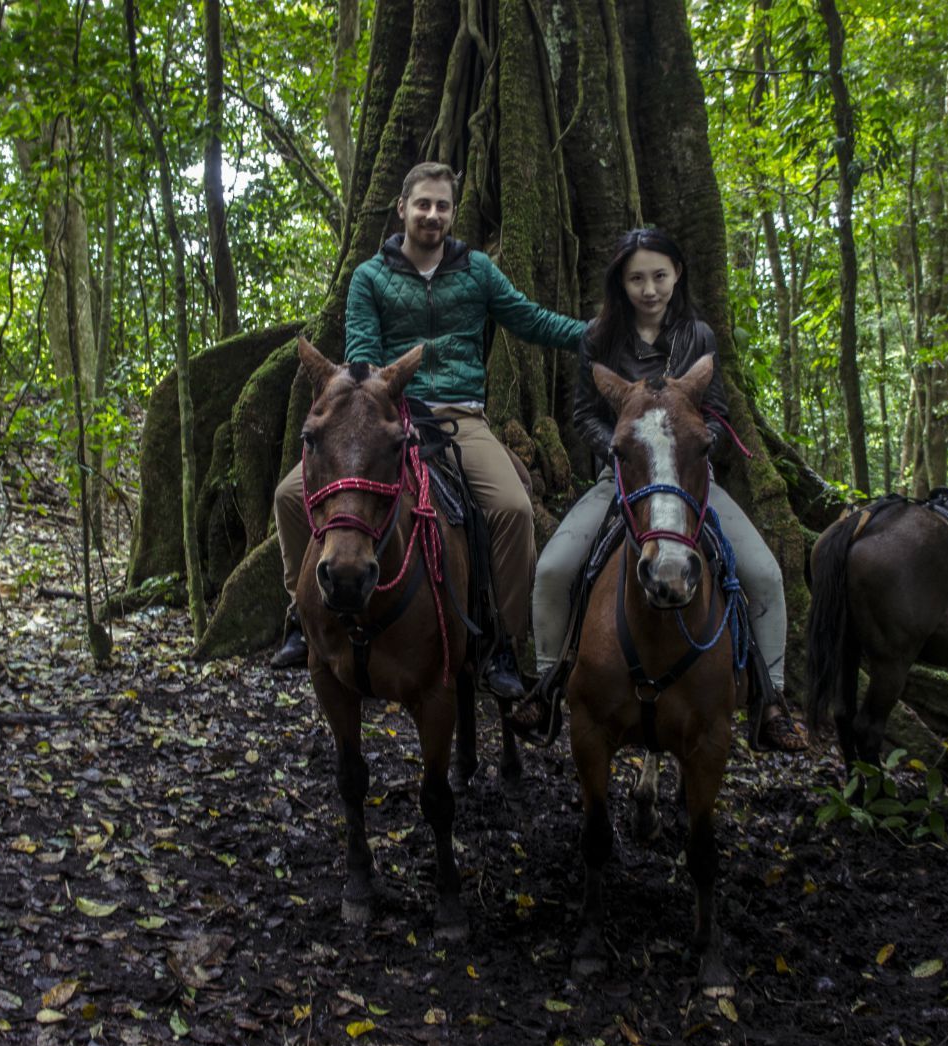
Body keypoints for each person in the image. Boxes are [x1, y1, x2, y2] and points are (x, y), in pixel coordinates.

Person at [270, 162, 588, 700]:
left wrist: (595, 334)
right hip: (387, 416)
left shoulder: (478, 270)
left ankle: (502, 644)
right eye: (423, 204)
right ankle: (304, 613)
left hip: (460, 417)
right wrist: (384, 413)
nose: (433, 215)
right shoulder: (371, 277)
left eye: (443, 206)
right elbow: (365, 360)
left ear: (452, 213)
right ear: (402, 208)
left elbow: (530, 319)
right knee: (289, 494)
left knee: (512, 508)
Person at [527, 228, 807, 751]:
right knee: (553, 568)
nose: (649, 289)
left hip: (691, 485)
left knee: (764, 573)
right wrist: (623, 446)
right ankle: (546, 686)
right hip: (623, 482)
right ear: (621, 283)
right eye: (637, 278)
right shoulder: (597, 339)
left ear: (677, 275)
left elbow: (718, 412)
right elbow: (584, 413)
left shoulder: (698, 336)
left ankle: (772, 699)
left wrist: (696, 443)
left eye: (659, 275)